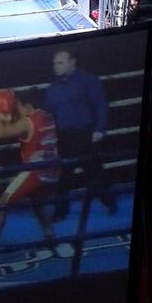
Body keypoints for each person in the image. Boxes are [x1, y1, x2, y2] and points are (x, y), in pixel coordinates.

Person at [0, 89, 61, 252]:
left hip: (34, 172)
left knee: (1, 204)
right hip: (52, 171)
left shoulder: (26, 122)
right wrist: (8, 115)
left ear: (27, 106)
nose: (15, 109)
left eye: (17, 106)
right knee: (38, 204)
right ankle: (50, 237)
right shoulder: (47, 116)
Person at [43, 49, 115, 216]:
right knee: (63, 175)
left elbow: (101, 104)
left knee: (94, 171)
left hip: (84, 134)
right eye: (55, 63)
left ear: (72, 62)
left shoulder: (87, 80)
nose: (56, 66)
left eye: (60, 63)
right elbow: (47, 114)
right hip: (63, 136)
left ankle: (110, 203)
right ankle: (60, 212)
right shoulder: (53, 88)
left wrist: (99, 129)